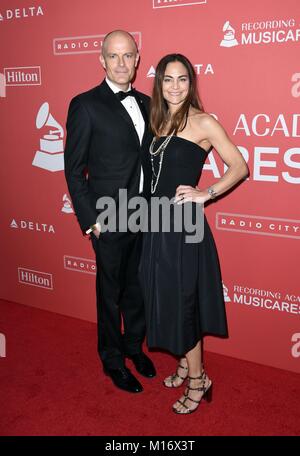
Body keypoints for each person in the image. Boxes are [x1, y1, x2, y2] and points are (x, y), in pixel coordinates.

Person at [139, 54, 248, 413]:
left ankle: (200, 380)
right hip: (155, 225)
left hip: (182, 228)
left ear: (191, 82)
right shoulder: (158, 118)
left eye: (182, 79)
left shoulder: (204, 122)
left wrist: (207, 193)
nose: (174, 87)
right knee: (169, 299)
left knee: (182, 303)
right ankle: (187, 364)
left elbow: (239, 166)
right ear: (159, 83)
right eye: (167, 79)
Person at [64, 30, 156, 394]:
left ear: (137, 59)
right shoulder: (85, 104)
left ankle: (134, 347)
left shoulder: (150, 103)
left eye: (127, 55)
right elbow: (73, 169)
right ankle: (112, 359)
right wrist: (91, 219)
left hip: (146, 213)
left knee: (138, 288)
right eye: (113, 56)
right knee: (110, 291)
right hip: (108, 217)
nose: (121, 63)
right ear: (101, 60)